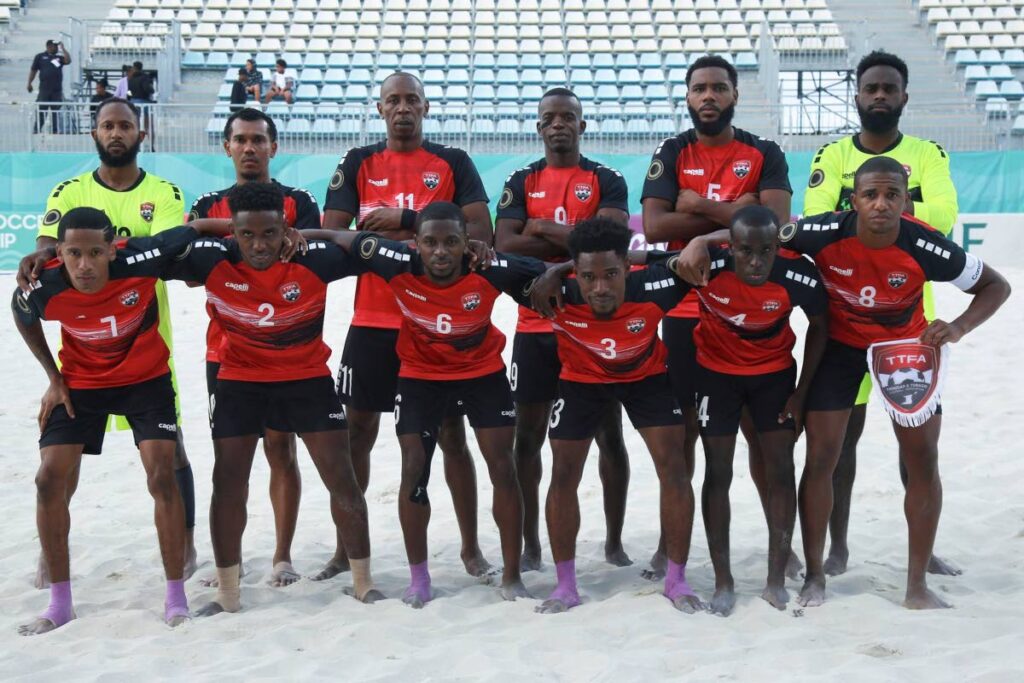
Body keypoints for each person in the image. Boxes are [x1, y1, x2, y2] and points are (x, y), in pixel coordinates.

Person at [675, 157, 1010, 609]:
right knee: (821, 458)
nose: (881, 204)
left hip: (902, 349)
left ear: (906, 201)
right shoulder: (822, 231)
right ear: (854, 201)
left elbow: (996, 285)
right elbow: (758, 234)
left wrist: (959, 327)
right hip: (841, 348)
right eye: (870, 194)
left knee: (923, 457)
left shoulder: (927, 246)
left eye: (892, 195)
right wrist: (700, 238)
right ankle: (815, 577)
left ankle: (916, 585)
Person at [165, 182, 383, 614]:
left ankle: (364, 583)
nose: (259, 245)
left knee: (342, 479)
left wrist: (316, 234)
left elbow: (362, 244)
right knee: (228, 484)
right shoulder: (211, 259)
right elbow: (162, 243)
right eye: (247, 235)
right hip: (239, 381)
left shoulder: (312, 258)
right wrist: (214, 227)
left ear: (287, 229)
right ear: (233, 233)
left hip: (306, 379)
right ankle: (228, 594)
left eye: (270, 234)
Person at [311, 201, 541, 606]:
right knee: (414, 469)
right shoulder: (394, 260)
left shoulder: (490, 268)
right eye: (430, 242)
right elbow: (337, 236)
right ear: (414, 244)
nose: (440, 251)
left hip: (482, 374)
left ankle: (511, 575)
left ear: (467, 244)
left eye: (451, 242)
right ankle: (419, 579)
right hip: (421, 376)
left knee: (502, 467)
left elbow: (554, 274)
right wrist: (296, 236)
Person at [320, 72, 495, 581]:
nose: (403, 108)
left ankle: (470, 549)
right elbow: (334, 235)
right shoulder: (358, 162)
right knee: (357, 433)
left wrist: (404, 216)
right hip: (372, 320)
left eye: (411, 100)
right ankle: (345, 549)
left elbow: (478, 233)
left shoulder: (452, 162)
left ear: (425, 107)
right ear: (379, 109)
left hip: (434, 322)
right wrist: (405, 233)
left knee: (450, 434)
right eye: (393, 101)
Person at [22, 98, 197, 587]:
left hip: (147, 343)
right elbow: (45, 252)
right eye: (107, 126)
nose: (115, 133)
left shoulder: (163, 191)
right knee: (63, 458)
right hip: (83, 349)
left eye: (125, 125)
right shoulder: (69, 189)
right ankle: (50, 552)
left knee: (172, 452)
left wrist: (103, 259)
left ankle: (185, 544)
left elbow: (166, 249)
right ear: (94, 134)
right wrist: (39, 260)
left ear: (141, 134)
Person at [12, 208, 210, 634]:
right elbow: (21, 313)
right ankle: (60, 604)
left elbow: (193, 229)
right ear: (58, 252)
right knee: (48, 479)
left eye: (96, 253)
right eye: (74, 254)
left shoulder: (142, 258)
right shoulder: (42, 282)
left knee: (162, 475)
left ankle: (176, 597)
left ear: (112, 249)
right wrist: (54, 377)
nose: (85, 265)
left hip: (146, 381)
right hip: (81, 385)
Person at [803, 50, 961, 578]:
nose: (879, 96)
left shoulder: (928, 153)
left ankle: (924, 547)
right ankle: (839, 546)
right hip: (846, 316)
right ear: (857, 96)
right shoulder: (832, 152)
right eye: (870, 88)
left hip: (909, 325)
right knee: (843, 437)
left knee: (913, 438)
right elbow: (814, 219)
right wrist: (893, 206)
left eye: (889, 89)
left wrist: (875, 208)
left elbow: (945, 217)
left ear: (904, 97)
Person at [640, 53, 794, 579]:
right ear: (687, 97)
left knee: (757, 434)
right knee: (682, 429)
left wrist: (702, 209)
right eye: (699, 88)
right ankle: (671, 541)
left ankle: (782, 543)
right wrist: (738, 211)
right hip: (686, 308)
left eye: (718, 88)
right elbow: (657, 228)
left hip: (749, 307)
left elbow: (775, 227)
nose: (709, 96)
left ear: (735, 95)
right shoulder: (671, 150)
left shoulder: (763, 151)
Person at [526, 218, 703, 615]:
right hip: (581, 379)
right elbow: (487, 260)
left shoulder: (656, 285)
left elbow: (727, 251)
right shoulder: (556, 292)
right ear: (575, 272)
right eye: (588, 276)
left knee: (674, 468)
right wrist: (555, 271)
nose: (600, 288)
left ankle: (676, 579)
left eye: (610, 274)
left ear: (627, 267)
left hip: (646, 377)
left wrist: (702, 239)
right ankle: (566, 587)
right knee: (563, 473)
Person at [494, 87, 632, 571]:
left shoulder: (606, 178)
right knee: (526, 437)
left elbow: (611, 243)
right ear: (538, 127)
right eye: (549, 118)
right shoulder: (520, 179)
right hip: (535, 325)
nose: (558, 124)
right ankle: (531, 541)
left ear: (582, 125)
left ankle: (613, 541)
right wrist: (578, 237)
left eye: (567, 117)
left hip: (592, 328)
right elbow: (506, 244)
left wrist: (545, 230)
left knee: (608, 434)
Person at [189, 108, 321, 587]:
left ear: (274, 147)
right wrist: (226, 233)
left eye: (258, 140)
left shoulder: (300, 203)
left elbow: (307, 263)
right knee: (231, 461)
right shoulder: (208, 204)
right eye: (240, 140)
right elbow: (189, 271)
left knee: (281, 451)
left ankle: (282, 556)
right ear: (226, 147)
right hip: (224, 353)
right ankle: (234, 559)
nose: (249, 148)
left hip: (288, 351)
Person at [691, 206, 828, 615]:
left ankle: (774, 579)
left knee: (781, 470)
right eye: (745, 251)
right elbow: (641, 265)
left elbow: (821, 326)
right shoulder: (706, 265)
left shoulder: (796, 273)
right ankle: (723, 581)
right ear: (729, 248)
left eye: (765, 251)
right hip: (715, 376)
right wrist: (559, 271)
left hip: (774, 378)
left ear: (776, 247)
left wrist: (801, 395)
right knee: (718, 472)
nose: (755, 261)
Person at [28, 39, 71, 133]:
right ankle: (37, 129)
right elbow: (33, 70)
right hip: (44, 89)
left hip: (56, 90)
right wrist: (29, 83)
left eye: (57, 46)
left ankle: (55, 130)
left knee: (55, 111)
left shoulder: (59, 58)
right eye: (54, 46)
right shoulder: (40, 57)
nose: (56, 48)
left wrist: (63, 49)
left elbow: (68, 61)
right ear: (49, 46)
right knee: (41, 110)